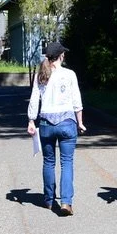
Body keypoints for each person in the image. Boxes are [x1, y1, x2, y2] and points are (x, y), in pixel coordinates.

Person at [26, 42, 85, 216]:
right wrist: (80, 122)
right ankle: (66, 202)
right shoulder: (69, 74)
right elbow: (76, 101)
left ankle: (49, 200)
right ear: (61, 56)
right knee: (67, 162)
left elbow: (34, 98)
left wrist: (31, 120)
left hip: (46, 123)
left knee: (48, 162)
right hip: (67, 121)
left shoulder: (41, 75)